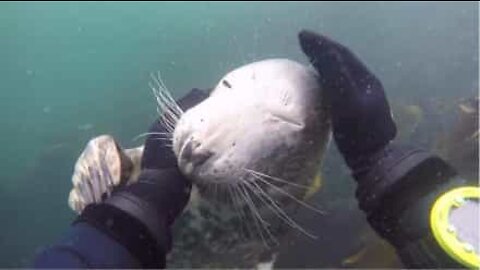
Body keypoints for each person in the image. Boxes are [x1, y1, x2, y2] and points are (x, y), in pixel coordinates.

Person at [34, 30, 479, 269]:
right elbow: (101, 174)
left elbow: (265, 243)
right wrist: (397, 177)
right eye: (225, 85)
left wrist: (126, 214)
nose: (198, 138)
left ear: (306, 150)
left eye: (282, 123)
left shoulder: (287, 204)